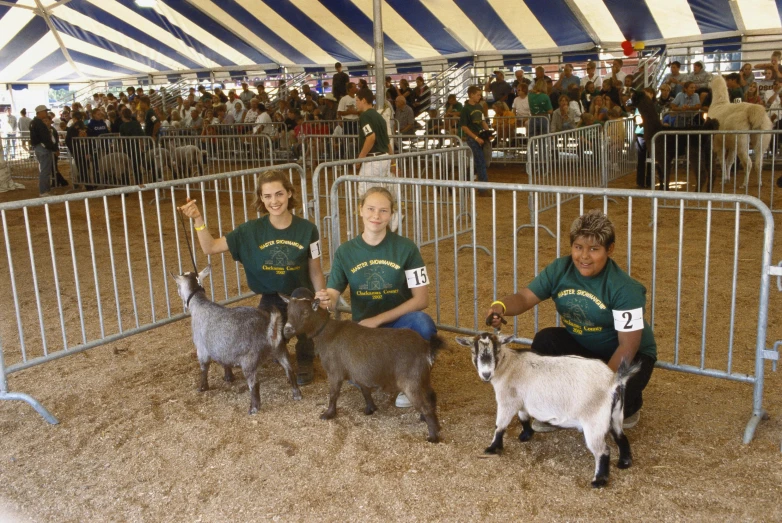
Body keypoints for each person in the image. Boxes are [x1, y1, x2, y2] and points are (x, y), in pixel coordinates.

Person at [486, 210, 656, 431]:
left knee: (611, 405)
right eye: (578, 247)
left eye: (594, 249)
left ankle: (629, 407)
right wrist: (501, 306)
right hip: (587, 345)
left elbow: (628, 345)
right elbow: (525, 297)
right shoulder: (560, 269)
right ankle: (552, 408)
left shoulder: (625, 289)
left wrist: (596, 387)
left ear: (609, 249)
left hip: (631, 355)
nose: (584, 256)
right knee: (546, 341)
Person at [178, 170, 326, 385]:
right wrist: (198, 219)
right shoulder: (251, 231)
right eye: (267, 196)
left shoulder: (308, 230)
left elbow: (315, 269)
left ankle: (305, 359)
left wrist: (320, 299)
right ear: (261, 198)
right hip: (272, 297)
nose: (274, 201)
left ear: (290, 193)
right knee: (264, 332)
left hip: (299, 295)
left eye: (279, 194)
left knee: (305, 313)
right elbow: (210, 247)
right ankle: (279, 347)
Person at [315, 187, 437, 408]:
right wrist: (326, 298)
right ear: (359, 210)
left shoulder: (406, 248)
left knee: (424, 324)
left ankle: (411, 382)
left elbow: (422, 299)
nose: (376, 216)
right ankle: (381, 375)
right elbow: (334, 291)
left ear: (392, 214)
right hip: (363, 331)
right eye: (370, 209)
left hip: (399, 324)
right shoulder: (345, 251)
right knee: (355, 377)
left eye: (383, 210)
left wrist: (378, 319)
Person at [460, 85, 491, 189]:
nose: (479, 97)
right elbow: (464, 127)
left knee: (478, 161)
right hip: (473, 137)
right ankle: (483, 188)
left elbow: (482, 121)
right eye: (478, 95)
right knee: (480, 161)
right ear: (471, 95)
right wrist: (476, 138)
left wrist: (488, 133)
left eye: (480, 95)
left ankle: (465, 182)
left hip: (479, 136)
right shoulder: (466, 109)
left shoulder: (479, 107)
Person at [29, 105, 59, 196]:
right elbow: (45, 138)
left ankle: (46, 189)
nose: (46, 113)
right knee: (45, 170)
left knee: (44, 169)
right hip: (43, 148)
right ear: (40, 112)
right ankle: (44, 191)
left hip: (38, 147)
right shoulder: (39, 124)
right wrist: (54, 148)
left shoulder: (33, 122)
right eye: (45, 112)